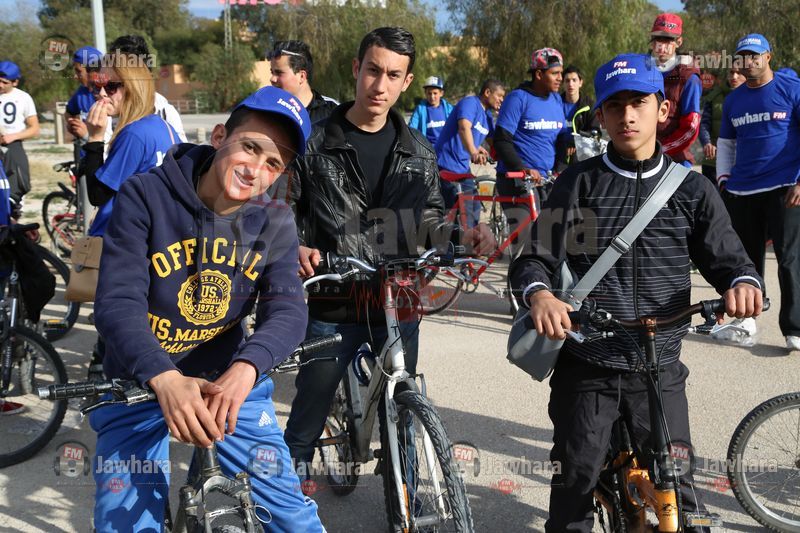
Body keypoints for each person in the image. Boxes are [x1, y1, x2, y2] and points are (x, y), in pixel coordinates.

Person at [510, 52, 763, 532]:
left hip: (659, 366)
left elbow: (730, 258)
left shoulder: (692, 190)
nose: (627, 115)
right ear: (600, 116)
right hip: (589, 364)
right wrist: (540, 295)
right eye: (615, 105)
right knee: (575, 482)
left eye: (639, 103)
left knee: (679, 491)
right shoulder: (579, 184)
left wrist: (742, 283)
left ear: (662, 109)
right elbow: (533, 258)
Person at [91, 85, 323, 531]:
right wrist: (164, 378)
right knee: (123, 523)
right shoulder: (145, 195)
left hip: (225, 382)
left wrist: (246, 369)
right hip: (139, 379)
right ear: (219, 137)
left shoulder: (275, 220)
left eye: (273, 163)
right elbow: (118, 302)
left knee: (294, 519)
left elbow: (289, 310)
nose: (255, 170)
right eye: (249, 147)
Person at [283, 27, 494, 493]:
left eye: (393, 75)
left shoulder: (418, 149)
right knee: (307, 415)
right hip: (334, 300)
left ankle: (407, 506)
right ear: (356, 69)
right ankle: (283, 502)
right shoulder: (313, 143)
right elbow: (284, 207)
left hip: (398, 301)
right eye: (373, 70)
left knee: (402, 410)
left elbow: (430, 220)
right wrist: (294, 245)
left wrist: (463, 236)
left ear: (407, 81)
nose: (380, 85)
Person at [715, 34, 800, 351]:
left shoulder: (791, 88)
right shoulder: (734, 100)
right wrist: (724, 181)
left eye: (754, 55)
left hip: (784, 188)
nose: (748, 62)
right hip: (742, 191)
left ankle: (795, 328)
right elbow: (726, 144)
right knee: (745, 263)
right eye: (742, 57)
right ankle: (746, 320)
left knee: (789, 259)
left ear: (768, 56)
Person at [494, 47, 570, 256]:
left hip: (546, 180)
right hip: (517, 180)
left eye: (561, 73)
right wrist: (523, 168)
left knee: (551, 239)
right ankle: (518, 276)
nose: (560, 78)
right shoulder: (518, 98)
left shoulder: (556, 100)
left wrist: (563, 164)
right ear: (538, 74)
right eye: (555, 73)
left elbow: (562, 137)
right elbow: (502, 140)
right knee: (527, 243)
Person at [435, 79, 505, 227]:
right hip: (446, 165)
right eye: (499, 96)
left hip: (462, 167)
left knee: (474, 206)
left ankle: (467, 239)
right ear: (487, 92)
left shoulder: (487, 116)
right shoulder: (470, 103)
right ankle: (451, 241)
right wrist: (473, 151)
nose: (501, 100)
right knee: (461, 214)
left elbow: (494, 142)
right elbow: (463, 128)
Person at [106, 34, 188, 143]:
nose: (103, 93)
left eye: (112, 84)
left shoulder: (164, 111)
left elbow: (180, 149)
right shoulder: (102, 114)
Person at [649, 13, 702, 168]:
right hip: (643, 160)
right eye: (658, 38)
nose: (662, 45)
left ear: (679, 42)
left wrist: (660, 151)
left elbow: (690, 127)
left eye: (668, 39)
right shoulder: (642, 71)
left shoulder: (689, 77)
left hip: (675, 163)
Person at [267, 40, 339, 124]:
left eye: (279, 73)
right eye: (272, 72)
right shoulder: (266, 113)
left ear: (301, 76)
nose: (272, 79)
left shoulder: (334, 111)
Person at [0, 60, 39, 205]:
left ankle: (13, 209)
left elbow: (34, 129)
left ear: (15, 82)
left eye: (5, 82)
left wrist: (13, 136)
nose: (0, 85)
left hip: (13, 145)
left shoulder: (23, 98)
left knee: (20, 184)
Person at [698, 66, 745, 183]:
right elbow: (704, 124)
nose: (734, 76)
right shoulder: (714, 96)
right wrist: (707, 143)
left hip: (743, 163)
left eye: (739, 72)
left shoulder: (755, 97)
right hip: (714, 161)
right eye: (731, 72)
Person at [556, 65, 601, 171]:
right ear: (563, 84)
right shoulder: (555, 104)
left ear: (580, 83)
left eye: (574, 80)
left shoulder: (589, 105)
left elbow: (596, 133)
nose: (570, 84)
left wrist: (576, 141)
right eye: (567, 81)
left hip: (582, 157)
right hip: (558, 157)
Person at [65, 46, 103, 161]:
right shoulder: (81, 92)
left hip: (103, 159)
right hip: (83, 158)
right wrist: (72, 124)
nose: (75, 76)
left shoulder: (112, 94)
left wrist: (87, 135)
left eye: (78, 71)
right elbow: (69, 112)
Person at [408, 75, 453, 146]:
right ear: (425, 93)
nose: (432, 96)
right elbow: (411, 129)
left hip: (445, 148)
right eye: (429, 93)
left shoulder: (449, 109)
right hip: (428, 148)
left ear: (441, 93)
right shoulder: (420, 109)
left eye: (435, 93)